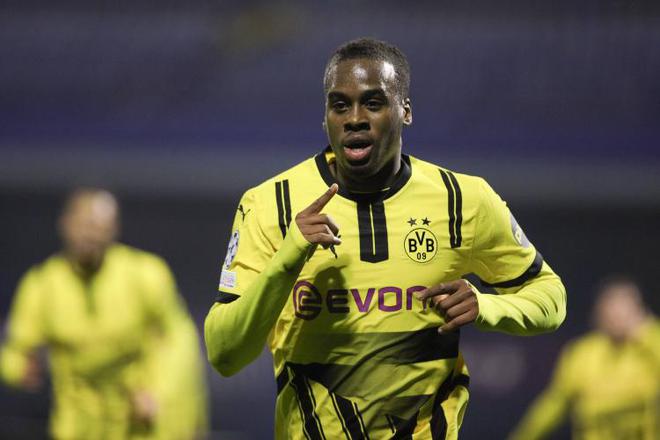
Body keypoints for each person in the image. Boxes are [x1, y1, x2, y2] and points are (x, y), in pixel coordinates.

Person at [205, 38, 566, 439]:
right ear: (325, 118)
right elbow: (224, 353)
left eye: (373, 103)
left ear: (405, 111)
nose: (355, 119)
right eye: (340, 105)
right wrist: (287, 259)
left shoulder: (463, 199)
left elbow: (551, 298)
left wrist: (486, 307)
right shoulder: (273, 203)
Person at [0, 188, 208, 439]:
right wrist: (16, 369)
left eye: (100, 226)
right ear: (65, 224)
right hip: (78, 423)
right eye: (83, 224)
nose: (90, 234)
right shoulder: (42, 286)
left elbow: (180, 337)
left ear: (114, 229)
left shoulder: (145, 274)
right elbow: (14, 350)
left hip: (138, 420)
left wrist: (158, 391)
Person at [509, 276, 659, 440]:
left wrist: (646, 334)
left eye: (624, 309)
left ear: (638, 311)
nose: (617, 317)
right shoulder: (582, 353)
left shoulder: (652, 343)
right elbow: (554, 404)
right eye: (611, 310)